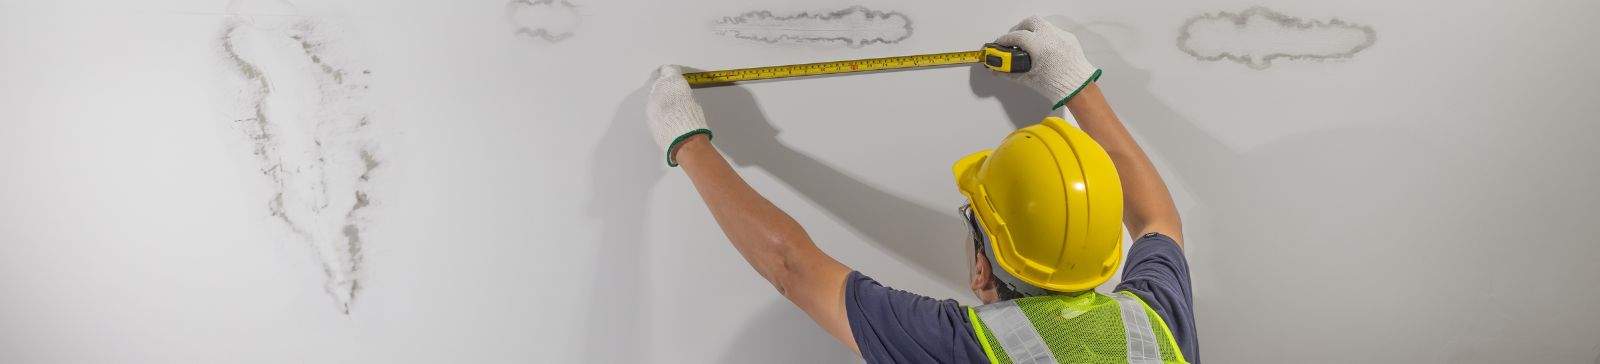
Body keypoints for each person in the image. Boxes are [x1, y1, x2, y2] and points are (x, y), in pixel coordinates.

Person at [645, 16, 1198, 363]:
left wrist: (684, 138)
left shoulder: (955, 345)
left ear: (983, 268)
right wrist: (1074, 82)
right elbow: (1157, 221)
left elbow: (793, 267)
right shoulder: (1153, 323)